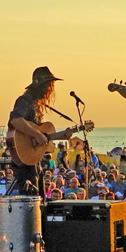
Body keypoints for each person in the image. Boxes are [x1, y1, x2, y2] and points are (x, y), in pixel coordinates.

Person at [7, 67, 74, 197]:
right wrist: (36, 134)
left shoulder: (36, 105)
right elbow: (15, 120)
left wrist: (62, 136)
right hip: (24, 162)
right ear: (41, 85)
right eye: (49, 86)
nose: (50, 90)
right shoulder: (24, 101)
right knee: (31, 201)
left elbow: (42, 137)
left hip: (34, 162)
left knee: (40, 201)